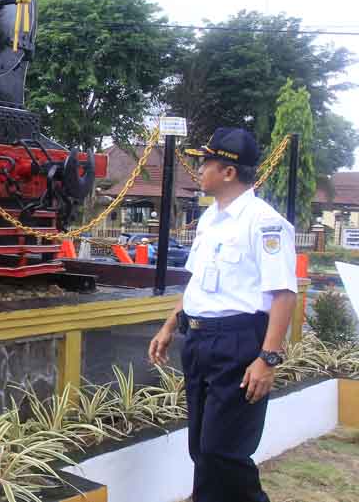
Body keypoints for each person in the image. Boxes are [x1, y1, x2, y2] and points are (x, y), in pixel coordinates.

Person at [148, 127, 298, 502]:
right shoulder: (211, 219)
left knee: (224, 451)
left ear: (228, 172)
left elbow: (283, 294)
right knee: (202, 448)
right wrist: (170, 326)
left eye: (205, 163)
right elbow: (198, 282)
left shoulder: (265, 223)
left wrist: (267, 358)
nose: (199, 170)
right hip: (199, 340)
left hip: (238, 342)